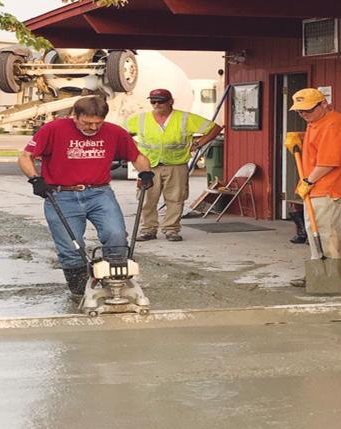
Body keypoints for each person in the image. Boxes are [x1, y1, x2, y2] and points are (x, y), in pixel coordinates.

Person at [19, 96, 154, 299]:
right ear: (75, 115)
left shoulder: (114, 132)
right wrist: (35, 179)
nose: (92, 128)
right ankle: (79, 290)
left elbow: (136, 156)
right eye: (87, 123)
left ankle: (116, 281)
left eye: (97, 123)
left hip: (99, 193)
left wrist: (145, 172)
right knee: (71, 246)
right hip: (61, 195)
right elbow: (25, 157)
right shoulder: (53, 129)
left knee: (116, 235)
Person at [125, 88, 223, 242]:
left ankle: (171, 230)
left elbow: (215, 128)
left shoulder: (184, 118)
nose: (156, 104)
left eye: (160, 101)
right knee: (147, 199)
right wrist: (134, 147)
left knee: (175, 199)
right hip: (148, 165)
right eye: (153, 101)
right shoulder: (140, 118)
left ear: (170, 101)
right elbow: (122, 133)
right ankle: (148, 230)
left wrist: (197, 144)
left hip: (176, 164)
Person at [287, 88, 341, 288]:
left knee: (321, 230)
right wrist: (301, 138)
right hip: (321, 185)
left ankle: (327, 274)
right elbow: (320, 144)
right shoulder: (317, 122)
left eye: (308, 110)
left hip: (327, 185)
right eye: (300, 111)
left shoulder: (332, 125)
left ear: (323, 104)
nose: (303, 115)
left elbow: (329, 162)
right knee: (329, 230)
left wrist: (308, 181)